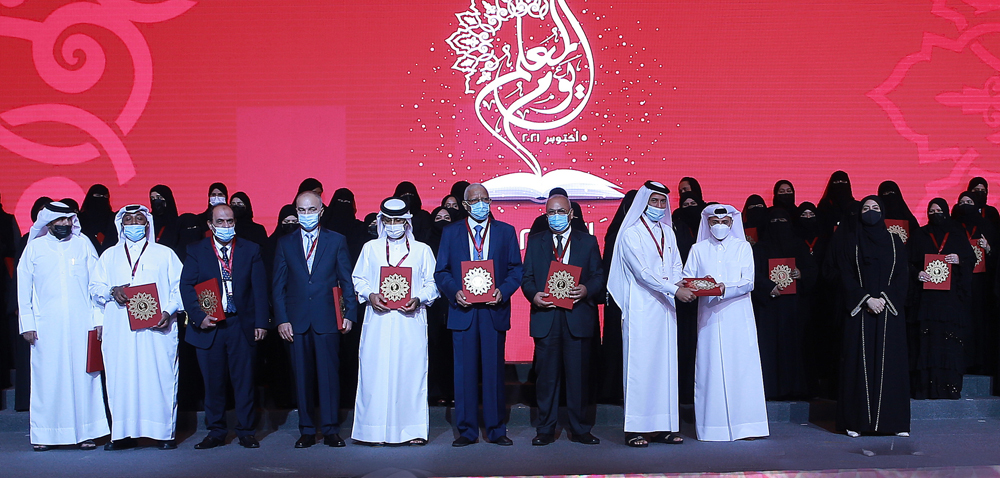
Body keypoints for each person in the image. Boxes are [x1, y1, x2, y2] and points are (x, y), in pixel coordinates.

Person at [434, 183, 522, 447]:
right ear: (465, 205)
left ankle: (496, 429)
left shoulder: (506, 232)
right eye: (475, 200)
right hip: (463, 311)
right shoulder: (451, 233)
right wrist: (454, 292)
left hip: (493, 311)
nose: (481, 204)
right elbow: (442, 272)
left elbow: (515, 269)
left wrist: (503, 291)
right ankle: (467, 430)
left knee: (494, 372)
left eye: (485, 199)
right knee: (464, 374)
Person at [90, 204, 184, 450]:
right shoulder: (109, 255)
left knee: (159, 377)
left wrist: (169, 310)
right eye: (129, 220)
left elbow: (180, 288)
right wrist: (113, 290)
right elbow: (94, 288)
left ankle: (163, 433)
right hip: (120, 329)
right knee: (121, 379)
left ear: (147, 223)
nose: (134, 224)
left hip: (157, 329)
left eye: (139, 219)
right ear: (121, 225)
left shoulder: (165, 253)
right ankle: (122, 434)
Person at [17, 202, 109, 451]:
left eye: (69, 220)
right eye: (60, 221)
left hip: (83, 324)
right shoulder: (35, 248)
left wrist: (98, 319)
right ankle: (46, 434)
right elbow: (24, 288)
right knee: (48, 378)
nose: (65, 225)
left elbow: (95, 284)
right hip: (46, 327)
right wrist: (27, 323)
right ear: (48, 222)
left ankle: (87, 432)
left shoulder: (83, 245)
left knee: (84, 378)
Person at [609, 181, 694, 447]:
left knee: (666, 367)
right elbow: (642, 274)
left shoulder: (669, 232)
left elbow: (677, 264)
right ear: (643, 203)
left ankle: (664, 426)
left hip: (666, 307)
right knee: (640, 367)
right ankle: (636, 428)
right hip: (642, 308)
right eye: (654, 202)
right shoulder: (631, 234)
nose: (658, 207)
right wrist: (674, 289)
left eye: (662, 203)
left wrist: (682, 283)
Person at [180, 204, 270, 449]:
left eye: (230, 221)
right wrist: (198, 317)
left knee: (244, 381)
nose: (226, 226)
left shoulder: (250, 249)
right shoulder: (196, 250)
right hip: (209, 326)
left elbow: (260, 289)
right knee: (213, 382)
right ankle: (216, 431)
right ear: (210, 225)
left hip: (241, 323)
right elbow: (186, 287)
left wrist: (261, 322)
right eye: (220, 222)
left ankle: (246, 431)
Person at [273, 191, 358, 448]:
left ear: (321, 211)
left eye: (311, 210)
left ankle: (331, 429)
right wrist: (282, 319)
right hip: (296, 321)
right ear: (295, 212)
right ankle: (307, 429)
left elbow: (346, 280)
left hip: (328, 318)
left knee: (329, 375)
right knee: (302, 377)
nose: (307, 215)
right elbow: (278, 286)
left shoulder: (336, 240)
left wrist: (349, 314)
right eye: (302, 210)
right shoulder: (285, 243)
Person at [350, 198, 439, 445]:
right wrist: (370, 294)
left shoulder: (422, 250)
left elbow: (433, 284)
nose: (392, 226)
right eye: (388, 221)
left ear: (407, 222)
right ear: (381, 221)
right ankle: (372, 431)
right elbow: (358, 279)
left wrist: (419, 297)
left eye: (398, 220)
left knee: (409, 374)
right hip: (378, 321)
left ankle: (411, 431)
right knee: (374, 374)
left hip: (409, 321)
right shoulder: (370, 248)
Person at [521, 194, 604, 446]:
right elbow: (527, 279)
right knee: (546, 377)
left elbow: (599, 275)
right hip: (546, 317)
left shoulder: (588, 242)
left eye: (560, 212)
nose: (555, 217)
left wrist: (586, 290)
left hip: (576, 317)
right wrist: (534, 296)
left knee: (578, 377)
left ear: (571, 214)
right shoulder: (535, 242)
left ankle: (580, 428)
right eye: (550, 213)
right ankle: (545, 429)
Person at [682, 204, 769, 441]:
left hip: (737, 316)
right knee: (710, 368)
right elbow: (687, 278)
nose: (719, 226)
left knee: (742, 367)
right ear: (707, 223)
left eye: (724, 222)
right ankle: (713, 428)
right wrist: (690, 286)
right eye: (714, 222)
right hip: (709, 317)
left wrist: (723, 289)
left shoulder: (743, 247)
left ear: (732, 223)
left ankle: (748, 425)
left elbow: (748, 282)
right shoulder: (698, 249)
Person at [830, 196, 909, 437]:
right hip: (860, 312)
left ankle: (894, 423)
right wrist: (866, 299)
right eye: (866, 208)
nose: (871, 212)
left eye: (875, 208)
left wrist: (885, 298)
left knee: (891, 366)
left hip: (889, 312)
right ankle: (856, 422)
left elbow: (902, 275)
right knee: (858, 366)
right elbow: (845, 275)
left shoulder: (895, 241)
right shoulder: (851, 241)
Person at [911, 198, 974, 399]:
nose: (935, 213)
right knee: (927, 341)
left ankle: (949, 387)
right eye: (932, 210)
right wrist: (917, 274)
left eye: (939, 210)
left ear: (946, 211)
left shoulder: (956, 233)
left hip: (950, 300)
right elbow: (906, 261)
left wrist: (959, 260)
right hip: (927, 299)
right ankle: (925, 387)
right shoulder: (920, 234)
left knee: (950, 342)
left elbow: (970, 260)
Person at [751, 207, 816, 399]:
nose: (779, 226)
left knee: (795, 347)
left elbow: (812, 270)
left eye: (783, 221)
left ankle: (795, 389)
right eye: (774, 222)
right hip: (769, 307)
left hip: (795, 308)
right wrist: (767, 286)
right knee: (769, 348)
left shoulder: (798, 245)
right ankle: (769, 388)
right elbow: (752, 274)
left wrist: (801, 273)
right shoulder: (760, 248)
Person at [597, 190, 636, 405]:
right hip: (618, 301)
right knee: (615, 343)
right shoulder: (615, 235)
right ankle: (613, 388)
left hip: (643, 301)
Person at [12, 196, 51, 411]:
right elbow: (20, 278)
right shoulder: (29, 241)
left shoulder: (76, 243)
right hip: (34, 310)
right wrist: (20, 308)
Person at [953, 191, 997, 375]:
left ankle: (979, 362)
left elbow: (996, 257)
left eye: (969, 202)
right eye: (961, 201)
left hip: (981, 284)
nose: (965, 205)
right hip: (956, 283)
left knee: (979, 322)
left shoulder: (987, 226)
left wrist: (988, 249)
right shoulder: (953, 227)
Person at [427, 205, 455, 405]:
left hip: (454, 300)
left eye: (447, 217)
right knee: (433, 348)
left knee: (451, 348)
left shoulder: (458, 241)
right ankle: (434, 391)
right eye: (438, 217)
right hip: (430, 306)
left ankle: (451, 390)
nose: (442, 220)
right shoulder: (425, 243)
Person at [78, 184, 118, 254]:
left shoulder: (114, 219)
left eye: (105, 196)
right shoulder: (79, 219)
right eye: (97, 196)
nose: (101, 199)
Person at [150, 185, 181, 253]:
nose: (156, 201)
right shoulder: (148, 221)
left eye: (159, 197)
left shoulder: (178, 223)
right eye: (152, 198)